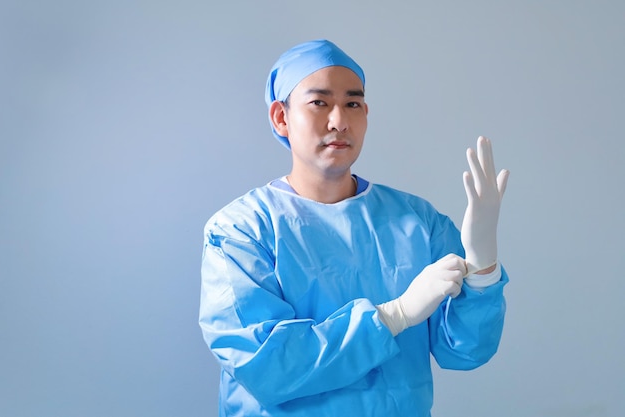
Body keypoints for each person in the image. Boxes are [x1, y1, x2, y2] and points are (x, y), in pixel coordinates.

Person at [199, 39, 510, 417]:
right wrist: (394, 316)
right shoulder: (242, 231)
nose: (339, 121)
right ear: (281, 117)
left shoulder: (416, 222)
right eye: (320, 103)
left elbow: (464, 350)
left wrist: (482, 268)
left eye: (353, 104)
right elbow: (267, 368)